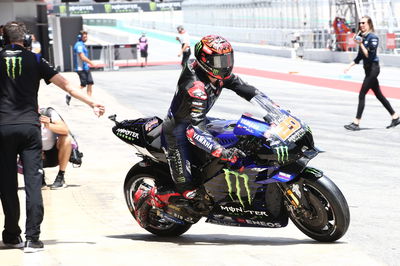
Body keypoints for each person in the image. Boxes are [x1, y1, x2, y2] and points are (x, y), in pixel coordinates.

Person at [139, 35, 277, 216]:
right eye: (220, 60)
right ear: (206, 60)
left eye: (228, 58)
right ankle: (148, 195)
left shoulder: (215, 73)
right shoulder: (196, 87)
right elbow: (194, 129)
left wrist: (274, 109)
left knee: (241, 135)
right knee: (189, 191)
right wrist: (221, 151)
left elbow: (245, 88)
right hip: (179, 131)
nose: (226, 64)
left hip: (201, 120)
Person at [0, 21, 105, 253]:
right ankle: (32, 238)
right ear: (26, 40)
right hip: (29, 128)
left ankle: (11, 235)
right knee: (33, 184)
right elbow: (66, 85)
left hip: (3, 129)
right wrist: (91, 102)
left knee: (6, 185)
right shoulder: (36, 59)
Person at [343, 16, 400, 130]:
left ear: (369, 24)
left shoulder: (372, 37)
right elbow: (360, 57)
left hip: (373, 69)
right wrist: (349, 66)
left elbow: (369, 55)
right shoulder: (363, 38)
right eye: (360, 23)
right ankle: (395, 117)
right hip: (368, 69)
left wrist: (360, 43)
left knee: (362, 93)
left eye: (363, 23)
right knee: (379, 95)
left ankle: (356, 123)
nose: (361, 25)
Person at [39, 107, 72, 190]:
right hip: (33, 153)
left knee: (66, 138)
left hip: (53, 155)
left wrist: (48, 124)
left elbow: (65, 130)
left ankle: (61, 176)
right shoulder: (21, 114)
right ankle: (39, 175)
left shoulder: (48, 112)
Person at [66, 30, 95, 105]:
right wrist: (91, 62)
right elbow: (82, 57)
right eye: (84, 37)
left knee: (90, 83)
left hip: (85, 67)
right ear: (80, 37)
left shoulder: (82, 44)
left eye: (86, 37)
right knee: (83, 85)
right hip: (80, 68)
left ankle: (89, 100)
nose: (86, 38)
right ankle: (69, 93)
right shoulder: (79, 45)